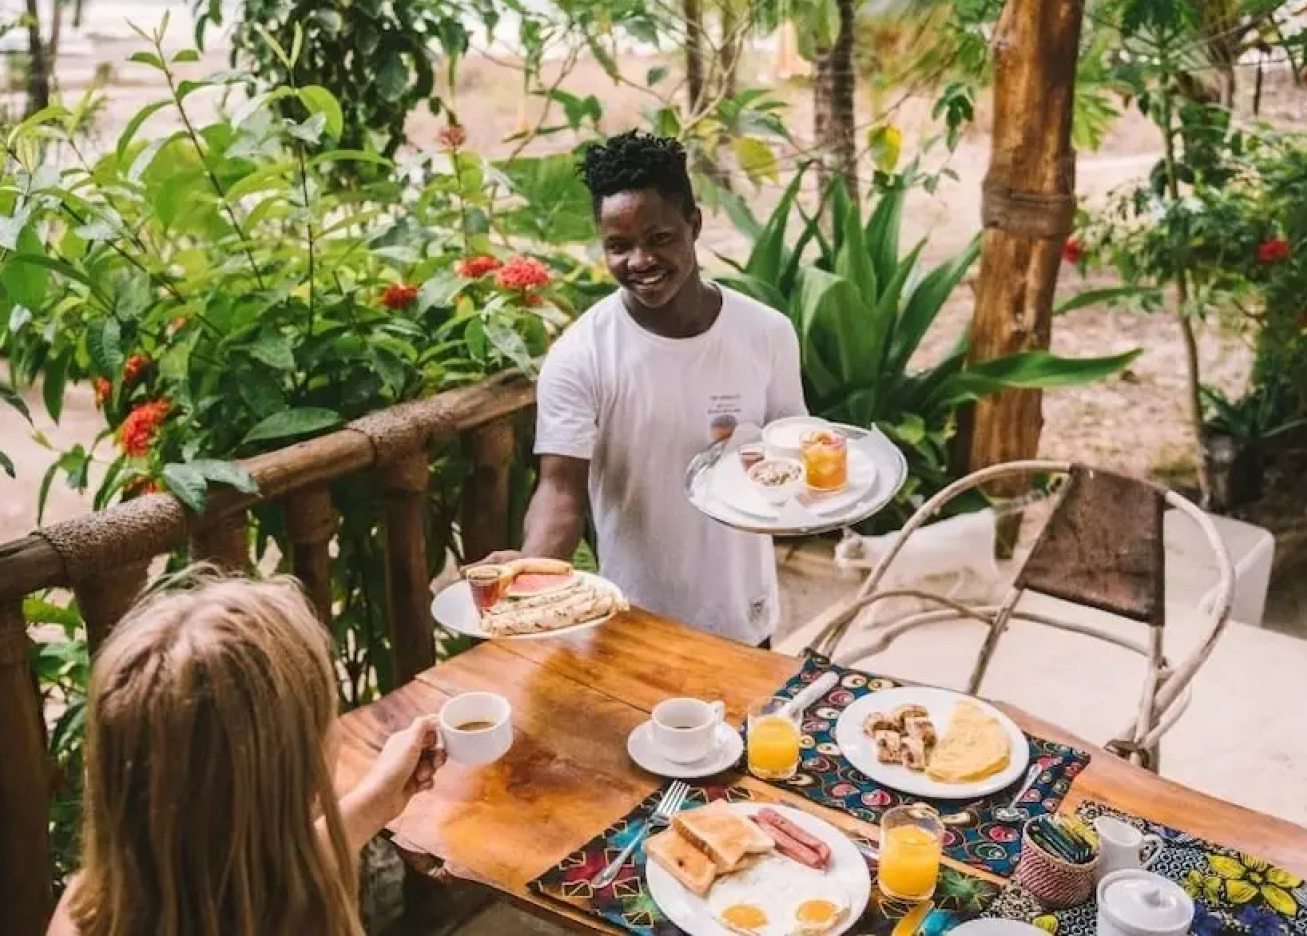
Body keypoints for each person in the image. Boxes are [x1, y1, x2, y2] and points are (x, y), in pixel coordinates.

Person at [483, 131, 806, 647]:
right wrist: (532, 568)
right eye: (619, 246)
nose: (640, 261)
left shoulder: (766, 333)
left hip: (744, 615)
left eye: (659, 238)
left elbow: (794, 452)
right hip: (632, 620)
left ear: (693, 224)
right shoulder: (580, 355)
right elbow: (561, 490)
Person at [47, 568, 445, 936]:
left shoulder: (90, 907)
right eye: (329, 714)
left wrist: (376, 800)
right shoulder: (308, 923)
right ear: (293, 776)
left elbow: (247, 882)